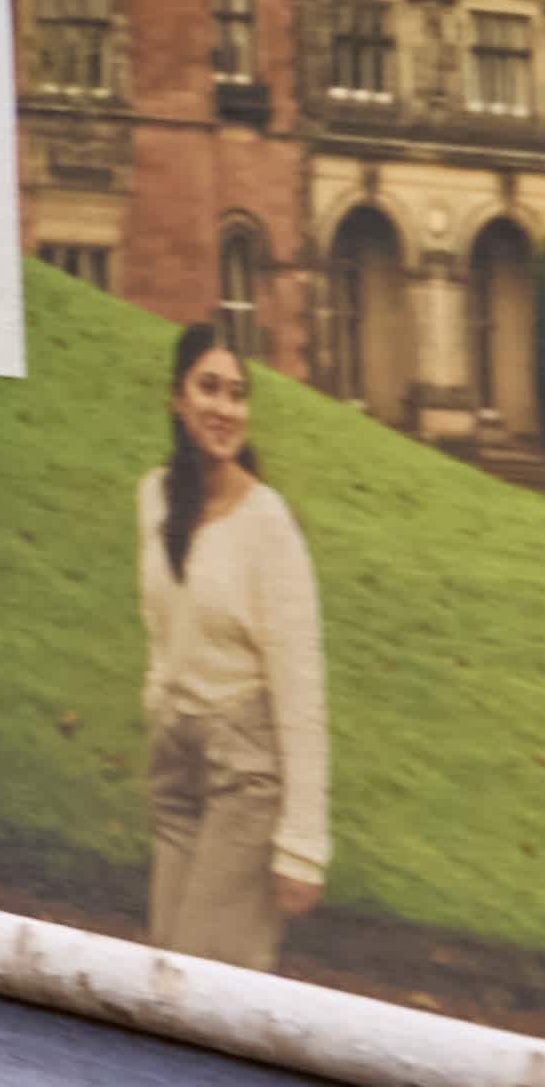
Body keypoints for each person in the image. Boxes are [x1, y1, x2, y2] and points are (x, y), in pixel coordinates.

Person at [135, 319, 331, 977]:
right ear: (176, 397)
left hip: (243, 775)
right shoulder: (153, 497)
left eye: (237, 392)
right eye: (208, 388)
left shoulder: (266, 523)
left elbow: (299, 690)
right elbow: (161, 628)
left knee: (199, 985)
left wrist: (301, 845)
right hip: (176, 769)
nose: (224, 407)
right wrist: (159, 704)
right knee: (158, 972)